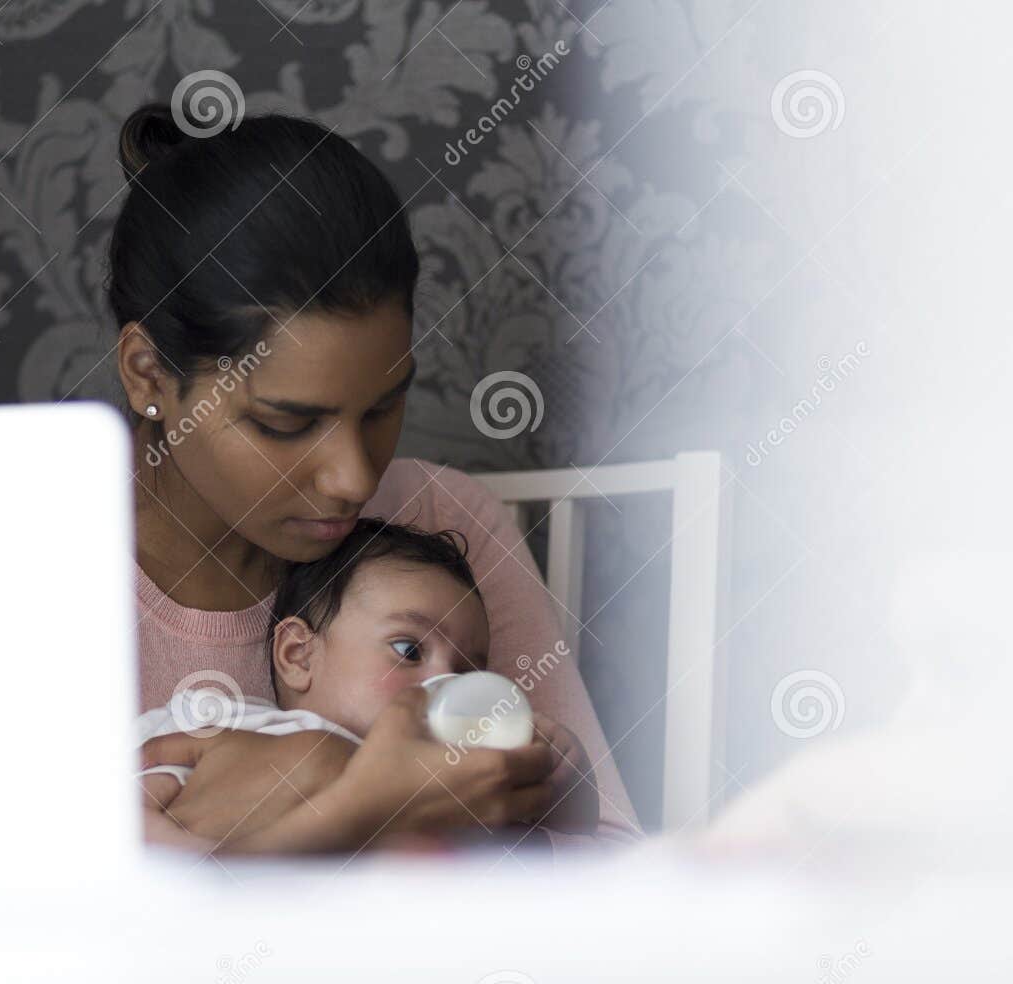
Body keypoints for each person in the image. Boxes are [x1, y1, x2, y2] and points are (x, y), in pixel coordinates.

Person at [107, 101, 640, 853]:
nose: (353, 480)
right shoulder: (23, 572)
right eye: (285, 424)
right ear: (148, 374)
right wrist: (354, 799)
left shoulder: (440, 516)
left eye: (385, 406)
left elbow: (610, 862)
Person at [136, 519, 599, 847]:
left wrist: (565, 784)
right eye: (408, 650)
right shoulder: (232, 725)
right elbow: (114, 831)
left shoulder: (457, 779)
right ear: (298, 655)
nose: (442, 683)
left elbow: (564, 852)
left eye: (466, 675)